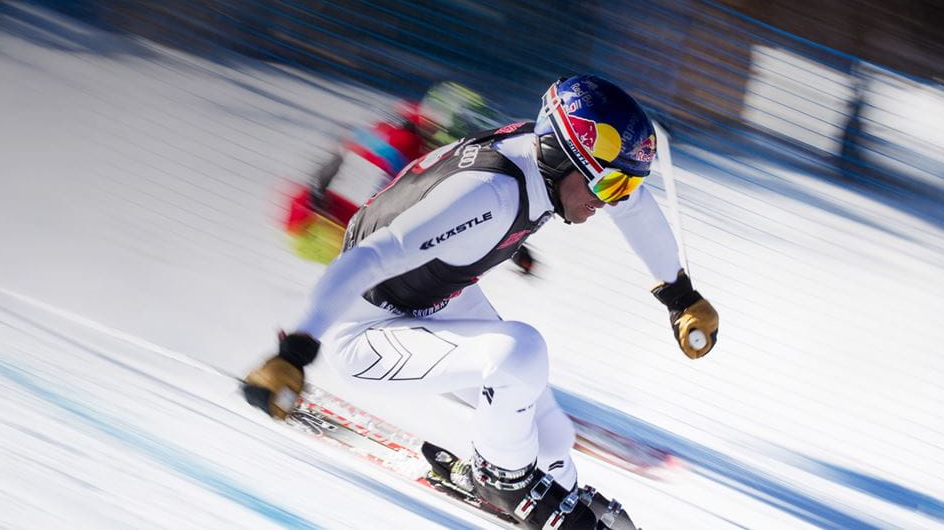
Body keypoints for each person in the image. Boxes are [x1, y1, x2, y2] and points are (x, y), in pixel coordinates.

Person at [246, 75, 720, 528]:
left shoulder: (546, 163)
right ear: (565, 157)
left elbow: (634, 208)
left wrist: (680, 296)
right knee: (520, 353)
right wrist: (295, 352)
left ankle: (532, 478)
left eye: (627, 185)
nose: (613, 200)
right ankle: (501, 480)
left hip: (435, 297)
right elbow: (367, 259)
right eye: (612, 185)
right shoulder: (488, 193)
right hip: (364, 331)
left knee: (554, 437)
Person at [283, 82, 532, 269]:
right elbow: (369, 214)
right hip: (316, 227)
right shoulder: (398, 145)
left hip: (330, 218)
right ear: (444, 130)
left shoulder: (419, 126)